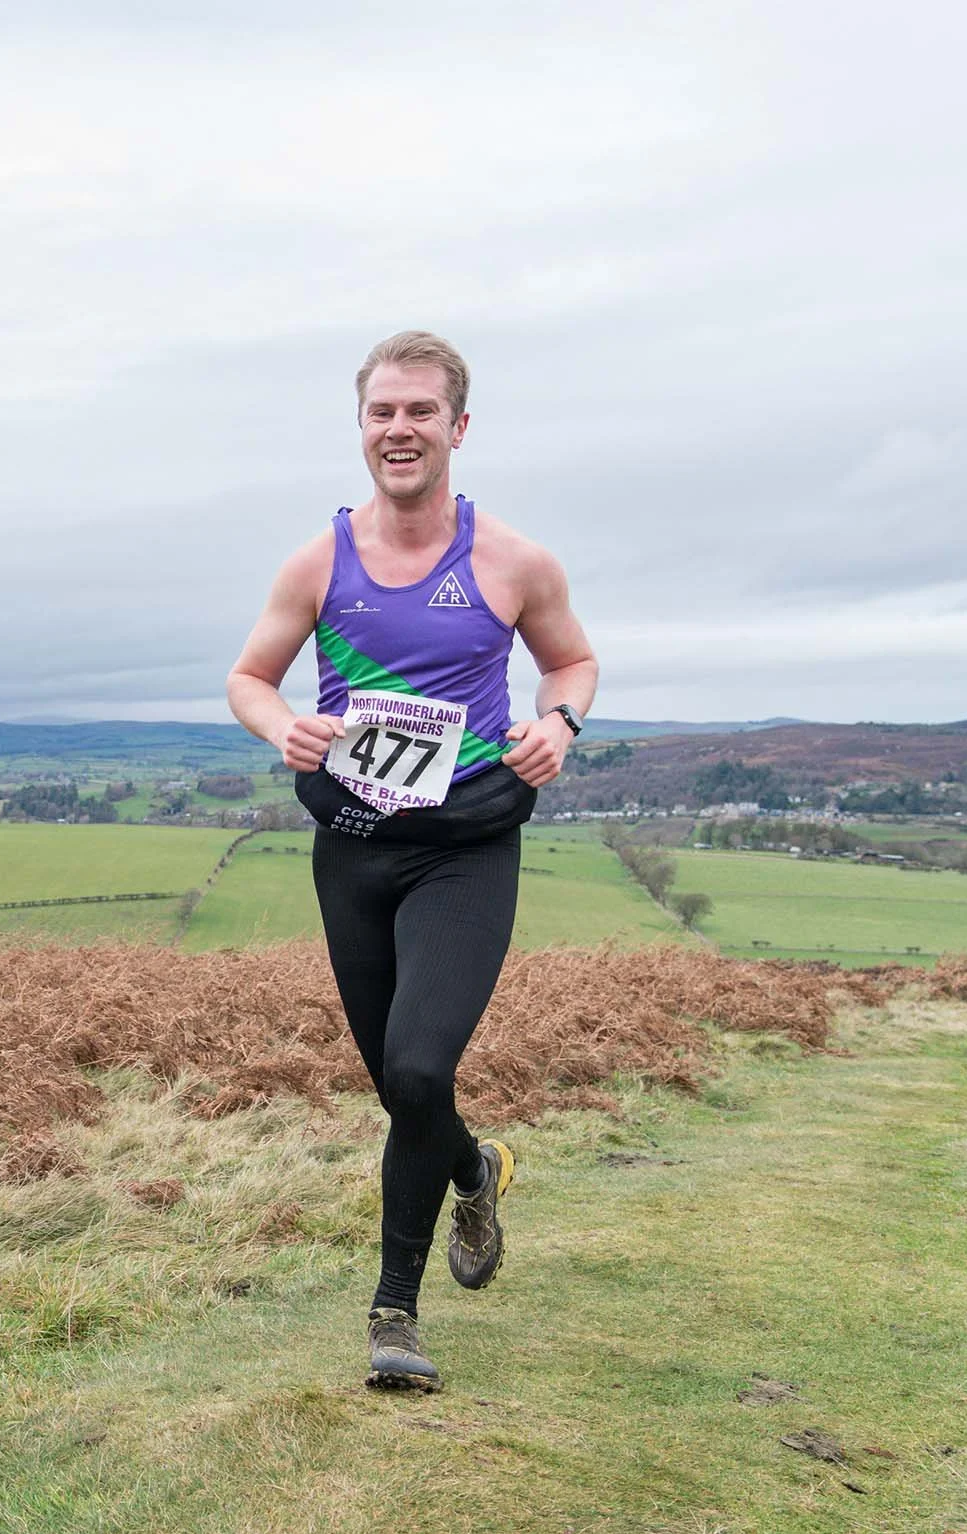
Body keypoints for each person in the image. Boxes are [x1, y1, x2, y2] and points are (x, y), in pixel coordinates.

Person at [225, 330, 598, 1391]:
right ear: (362, 427)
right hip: (352, 845)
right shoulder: (318, 563)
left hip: (466, 845)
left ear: (457, 427)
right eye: (382, 411)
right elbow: (249, 678)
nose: (400, 429)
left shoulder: (512, 561)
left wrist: (558, 724)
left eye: (420, 411)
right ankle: (473, 1166)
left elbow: (571, 660)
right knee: (399, 1085)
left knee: (421, 1069)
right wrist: (283, 726)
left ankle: (395, 1311)